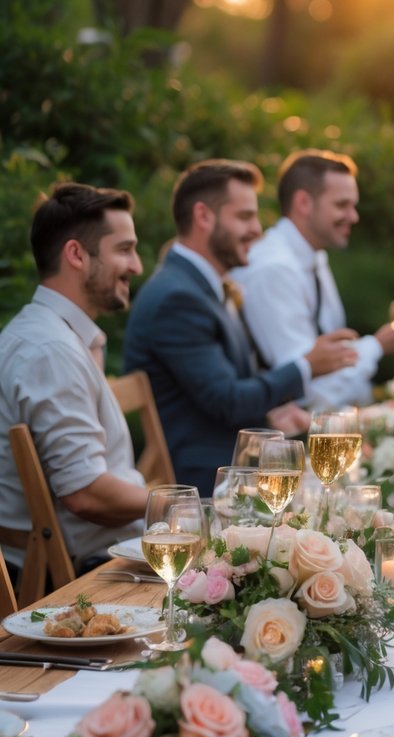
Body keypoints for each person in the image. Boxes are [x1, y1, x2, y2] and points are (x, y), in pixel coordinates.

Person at [123, 160, 357, 497]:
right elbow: (229, 401)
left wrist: (272, 414)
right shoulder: (177, 298)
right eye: (245, 216)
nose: (258, 230)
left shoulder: (204, 287)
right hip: (204, 486)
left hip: (240, 465)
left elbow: (226, 390)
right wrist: (306, 365)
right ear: (204, 216)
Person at [0, 183, 148, 571]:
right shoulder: (50, 350)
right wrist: (184, 505)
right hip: (78, 573)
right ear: (76, 254)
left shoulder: (59, 337)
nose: (137, 266)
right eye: (124, 249)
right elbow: (86, 495)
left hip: (107, 549)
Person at [234, 149, 394, 409]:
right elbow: (305, 385)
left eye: (353, 206)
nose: (354, 216)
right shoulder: (273, 269)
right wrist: (376, 347)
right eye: (342, 205)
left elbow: (331, 362)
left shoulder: (314, 256)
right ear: (304, 203)